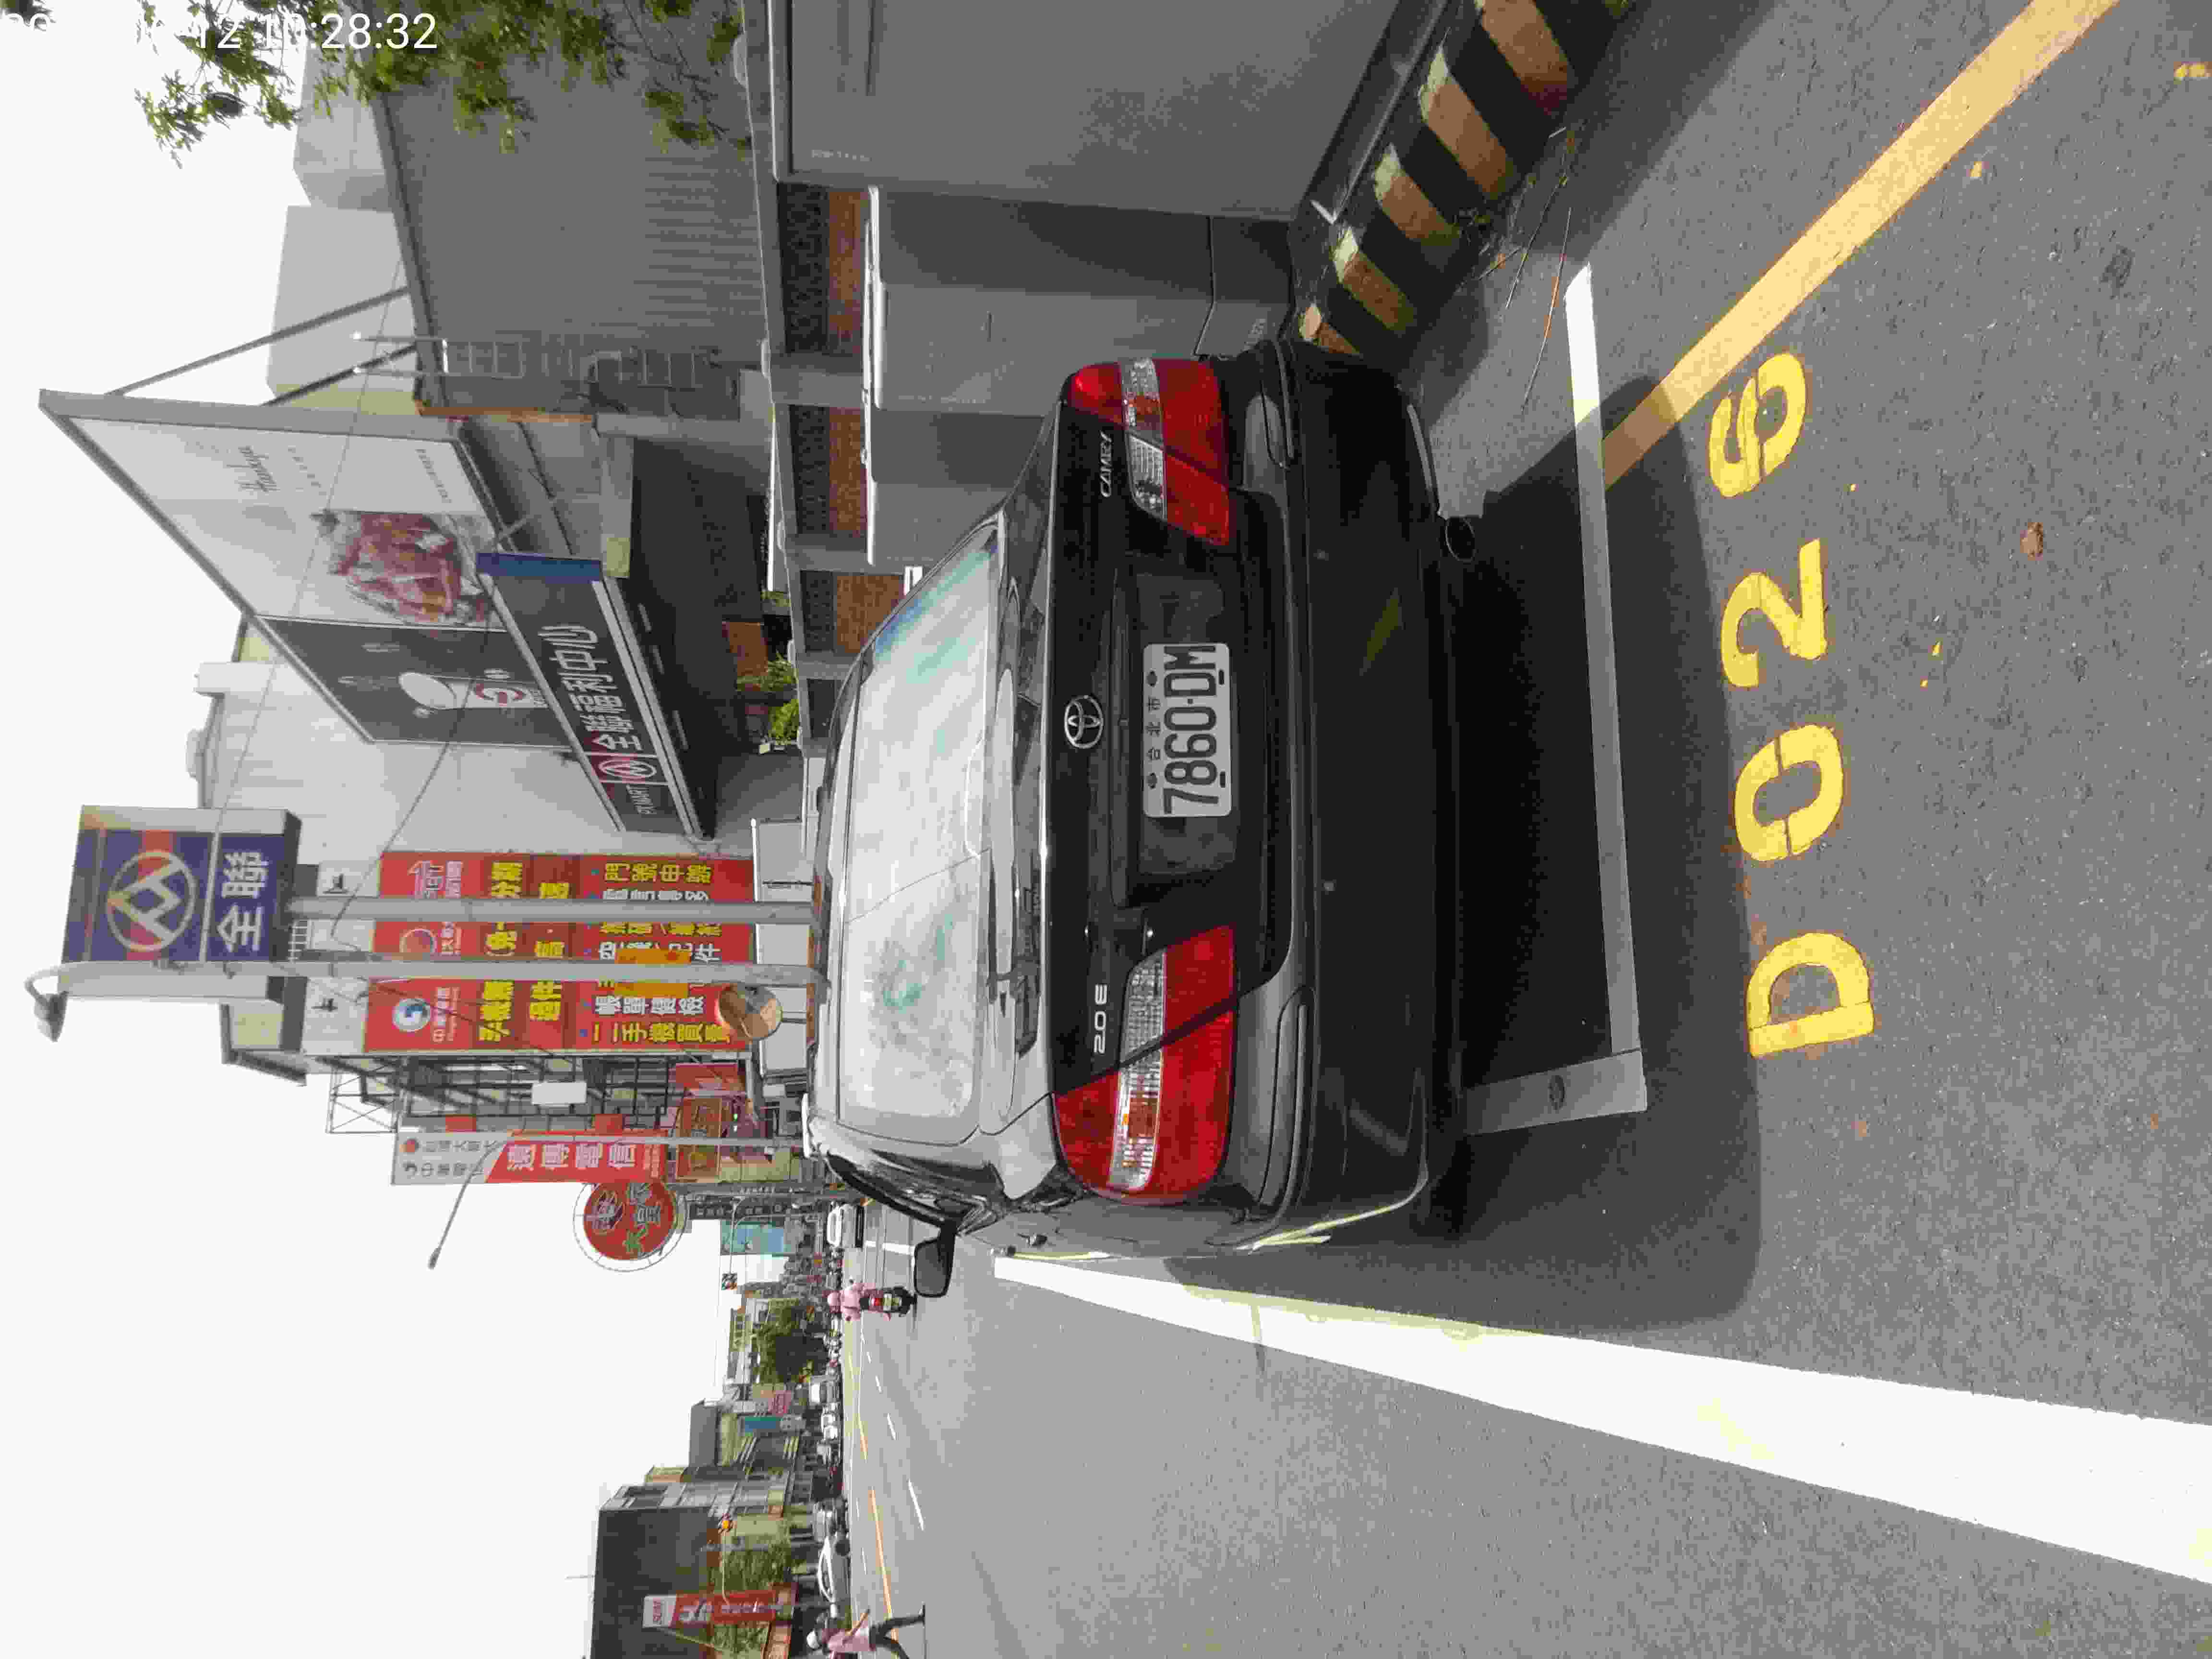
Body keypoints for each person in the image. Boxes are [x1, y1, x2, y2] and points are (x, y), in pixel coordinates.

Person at [808, 1607, 927, 1657]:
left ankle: (919, 1619)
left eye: (818, 1631)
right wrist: (863, 1617)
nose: (821, 1631)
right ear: (821, 1642)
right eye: (819, 1635)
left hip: (868, 1638)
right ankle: (919, 1618)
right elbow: (849, 1636)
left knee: (894, 1645)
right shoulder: (832, 1644)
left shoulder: (831, 1641)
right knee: (892, 1624)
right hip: (869, 1637)